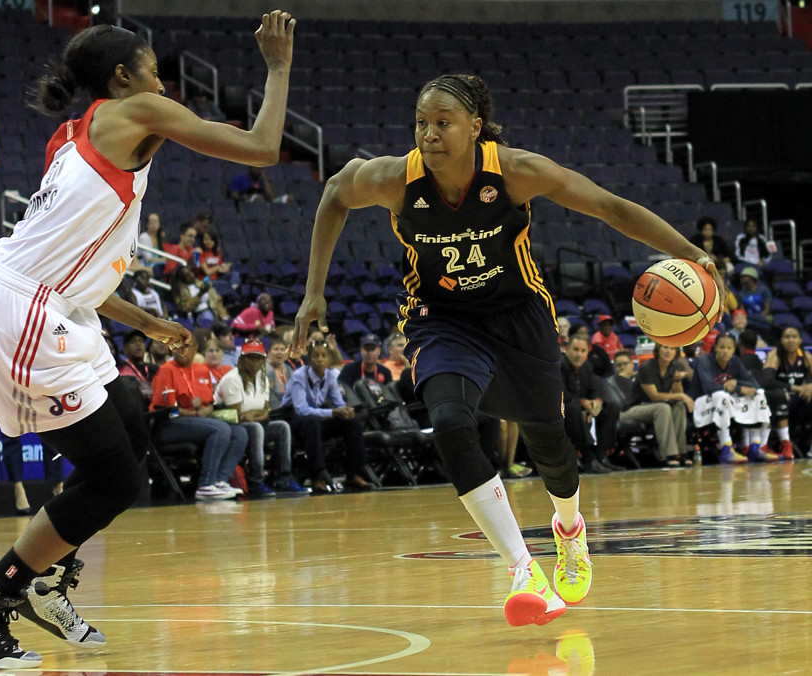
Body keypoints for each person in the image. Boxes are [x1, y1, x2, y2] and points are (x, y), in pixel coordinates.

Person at [289, 73, 726, 627]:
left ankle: (569, 528)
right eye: (421, 123)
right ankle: (523, 569)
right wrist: (313, 294)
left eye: (443, 123)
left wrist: (692, 254)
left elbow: (611, 208)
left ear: (475, 127)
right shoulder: (396, 179)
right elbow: (333, 195)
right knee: (450, 423)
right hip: (441, 318)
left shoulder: (515, 171)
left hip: (518, 315)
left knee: (550, 443)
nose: (428, 134)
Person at [0, 14, 294, 668]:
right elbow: (264, 147)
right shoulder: (137, 111)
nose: (162, 81)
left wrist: (151, 324)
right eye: (155, 68)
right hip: (26, 310)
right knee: (113, 481)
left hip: (49, 303)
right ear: (124, 77)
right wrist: (276, 66)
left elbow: (77, 272)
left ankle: (47, 582)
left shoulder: (69, 137)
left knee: (131, 421)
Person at [150, 337, 248, 500]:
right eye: (177, 346)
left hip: (197, 421)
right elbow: (168, 410)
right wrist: (194, 413)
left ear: (195, 349)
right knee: (220, 428)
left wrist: (202, 412)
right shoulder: (167, 370)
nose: (181, 350)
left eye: (187, 347)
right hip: (168, 425)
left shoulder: (202, 370)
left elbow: (209, 404)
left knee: (240, 432)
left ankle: (220, 480)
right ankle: (205, 484)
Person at [215, 339, 307, 495]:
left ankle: (283, 478)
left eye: (258, 358)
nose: (254, 362)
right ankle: (256, 481)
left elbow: (266, 410)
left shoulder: (262, 379)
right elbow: (236, 415)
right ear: (242, 359)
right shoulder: (233, 379)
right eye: (250, 357)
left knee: (282, 427)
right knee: (256, 428)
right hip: (229, 426)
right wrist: (255, 415)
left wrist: (253, 414)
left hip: (253, 422)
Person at [281, 340, 374, 493]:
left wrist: (346, 411)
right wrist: (333, 413)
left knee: (353, 423)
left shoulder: (330, 376)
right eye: (316, 356)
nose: (319, 359)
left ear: (329, 359)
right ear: (309, 359)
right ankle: (317, 476)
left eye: (323, 356)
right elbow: (301, 410)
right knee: (312, 422)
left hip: (316, 419)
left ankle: (354, 474)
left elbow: (338, 403)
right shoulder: (299, 376)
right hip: (293, 421)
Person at [691, 333, 774, 464]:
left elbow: (753, 384)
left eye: (729, 348)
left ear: (734, 349)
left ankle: (756, 445)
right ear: (715, 347)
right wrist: (738, 389)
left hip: (724, 402)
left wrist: (736, 384)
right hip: (702, 404)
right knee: (721, 395)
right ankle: (726, 448)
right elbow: (709, 387)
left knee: (759, 393)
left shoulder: (734, 361)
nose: (725, 351)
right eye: (722, 347)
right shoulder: (704, 360)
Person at [623, 346, 693, 467]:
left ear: (676, 352)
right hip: (633, 409)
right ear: (658, 349)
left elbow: (676, 393)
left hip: (656, 408)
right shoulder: (647, 367)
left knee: (679, 407)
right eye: (665, 347)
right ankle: (668, 454)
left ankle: (681, 452)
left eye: (672, 349)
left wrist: (677, 381)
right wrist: (682, 396)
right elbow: (654, 396)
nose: (668, 351)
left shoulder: (675, 366)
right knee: (663, 407)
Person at [561, 336, 621, 474]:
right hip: (561, 410)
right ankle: (588, 457)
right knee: (572, 408)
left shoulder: (587, 367)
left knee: (611, 406)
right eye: (575, 350)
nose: (579, 354)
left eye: (583, 351)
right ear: (566, 349)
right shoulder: (559, 365)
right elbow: (561, 394)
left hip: (579, 406)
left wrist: (597, 402)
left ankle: (601, 455)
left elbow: (593, 389)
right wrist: (584, 403)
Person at [762, 325, 812, 460]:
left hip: (798, 402)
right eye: (787, 337)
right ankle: (781, 444)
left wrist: (810, 387)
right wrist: (796, 388)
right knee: (778, 395)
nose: (791, 340)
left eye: (794, 337)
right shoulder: (775, 354)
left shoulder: (806, 357)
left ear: (800, 340)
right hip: (777, 400)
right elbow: (766, 381)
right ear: (781, 340)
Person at [267, 335, 294, 408]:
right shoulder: (264, 370)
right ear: (269, 353)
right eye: (276, 349)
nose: (279, 352)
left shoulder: (289, 369)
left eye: (282, 350)